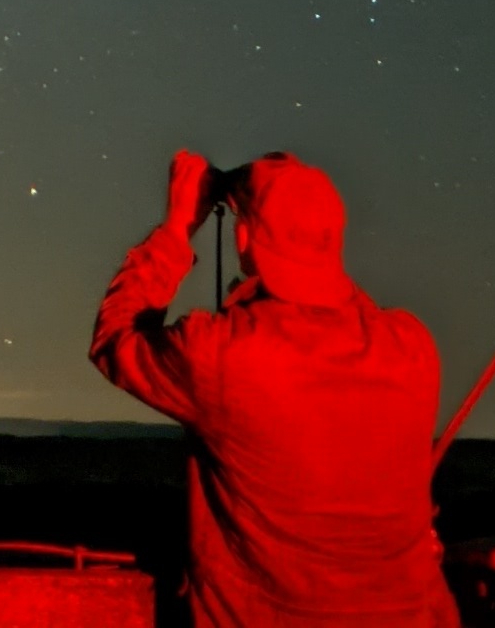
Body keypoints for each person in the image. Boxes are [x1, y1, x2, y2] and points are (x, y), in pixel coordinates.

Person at [91, 149, 459, 626]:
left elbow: (117, 338)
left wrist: (179, 227)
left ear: (242, 237)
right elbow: (346, 307)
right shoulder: (413, 348)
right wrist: (300, 211)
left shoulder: (223, 355)